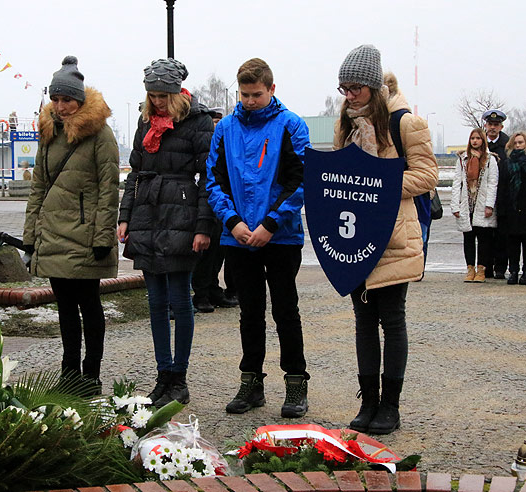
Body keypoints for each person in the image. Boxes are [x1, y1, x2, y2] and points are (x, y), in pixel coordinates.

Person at [333, 45, 438, 434]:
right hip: (355, 233)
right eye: (344, 88)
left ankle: (391, 405)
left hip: (394, 233)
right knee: (363, 319)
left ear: (374, 85)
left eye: (356, 87)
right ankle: (369, 401)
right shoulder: (345, 120)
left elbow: (426, 175)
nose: (350, 95)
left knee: (392, 319)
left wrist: (380, 185)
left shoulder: (405, 122)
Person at [206, 58, 310, 418]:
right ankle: (251, 383)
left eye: (257, 94)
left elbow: (300, 181)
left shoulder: (292, 125)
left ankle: (296, 383)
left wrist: (270, 223)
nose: (250, 100)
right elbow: (213, 181)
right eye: (245, 94)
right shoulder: (226, 128)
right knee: (249, 312)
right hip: (238, 237)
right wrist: (232, 221)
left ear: (272, 89)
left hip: (280, 237)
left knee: (285, 310)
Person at [117, 58, 214, 407]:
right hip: (147, 214)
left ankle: (180, 377)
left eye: (162, 95)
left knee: (180, 300)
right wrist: (124, 216)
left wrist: (203, 225)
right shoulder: (146, 125)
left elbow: (210, 179)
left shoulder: (199, 122)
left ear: (175, 94)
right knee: (156, 302)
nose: (157, 102)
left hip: (183, 215)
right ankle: (162, 375)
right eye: (152, 95)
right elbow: (134, 173)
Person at [23, 56, 119, 395]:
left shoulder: (100, 134)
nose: (61, 106)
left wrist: (103, 235)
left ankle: (90, 375)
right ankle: (69, 372)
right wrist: (30, 235)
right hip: (53, 233)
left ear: (80, 99)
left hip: (86, 235)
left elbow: (109, 188)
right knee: (64, 306)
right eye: (56, 99)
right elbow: (38, 186)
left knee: (88, 304)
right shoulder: (47, 131)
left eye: (68, 99)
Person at [191, 107, 239, 313]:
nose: (217, 124)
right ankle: (201, 293)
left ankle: (212, 288)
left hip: (224, 203)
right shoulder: (203, 142)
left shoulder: (228, 141)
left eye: (219, 120)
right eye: (214, 121)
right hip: (205, 202)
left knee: (219, 251)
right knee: (205, 252)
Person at [451, 128, 498, 283]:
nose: (475, 141)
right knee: (468, 238)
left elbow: (493, 183)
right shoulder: (462, 159)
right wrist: (455, 206)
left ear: (483, 141)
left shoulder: (489, 159)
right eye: (473, 138)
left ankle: (481, 269)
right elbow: (457, 182)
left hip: (482, 203)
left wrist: (489, 205)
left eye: (478, 138)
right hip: (467, 204)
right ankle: (469, 268)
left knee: (484, 238)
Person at [482, 109, 510, 279]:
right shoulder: (478, 142)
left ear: (501, 126)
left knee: (502, 234)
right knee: (485, 234)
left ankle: (500, 267)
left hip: (503, 195)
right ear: (485, 125)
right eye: (490, 124)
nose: (492, 127)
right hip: (483, 196)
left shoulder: (507, 145)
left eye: (496, 125)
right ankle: (486, 267)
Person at [498, 132, 526, 284]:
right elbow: (502, 187)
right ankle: (513, 271)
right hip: (511, 209)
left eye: (521, 142)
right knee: (512, 243)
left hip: (525, 207)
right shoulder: (507, 163)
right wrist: (501, 209)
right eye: (515, 143)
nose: (518, 146)